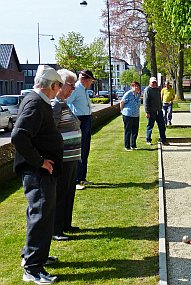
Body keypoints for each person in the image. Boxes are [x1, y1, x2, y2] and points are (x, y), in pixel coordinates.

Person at [12, 65, 64, 284]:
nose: (58, 93)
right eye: (58, 88)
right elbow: (19, 136)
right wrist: (40, 161)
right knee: (40, 215)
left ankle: (34, 255)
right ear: (51, 86)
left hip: (40, 171)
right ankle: (33, 268)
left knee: (40, 215)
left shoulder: (36, 100)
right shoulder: (35, 102)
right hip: (37, 172)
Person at [51, 69, 82, 242]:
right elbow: (51, 131)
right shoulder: (56, 104)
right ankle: (56, 229)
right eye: (71, 85)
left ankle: (66, 224)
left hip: (71, 157)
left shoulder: (63, 103)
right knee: (61, 193)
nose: (73, 88)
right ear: (60, 85)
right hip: (63, 158)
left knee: (69, 192)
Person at [65, 70, 95, 188]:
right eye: (91, 81)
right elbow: (66, 103)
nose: (91, 83)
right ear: (85, 79)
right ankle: (76, 180)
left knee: (85, 150)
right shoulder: (76, 89)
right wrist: (74, 119)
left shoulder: (84, 90)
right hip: (80, 120)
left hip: (86, 119)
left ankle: (82, 177)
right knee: (79, 150)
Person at [143, 77, 169, 146]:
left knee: (162, 126)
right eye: (153, 82)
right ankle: (148, 139)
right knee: (150, 126)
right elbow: (145, 102)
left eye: (155, 82)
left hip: (159, 111)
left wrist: (161, 108)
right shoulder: (147, 90)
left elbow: (159, 100)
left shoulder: (157, 90)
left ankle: (163, 139)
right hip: (151, 111)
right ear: (150, 82)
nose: (154, 83)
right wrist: (147, 112)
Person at [120, 81, 141, 150]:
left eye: (137, 86)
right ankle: (127, 146)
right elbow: (122, 102)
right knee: (128, 130)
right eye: (135, 86)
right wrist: (122, 110)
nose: (136, 87)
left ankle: (133, 145)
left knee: (135, 130)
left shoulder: (138, 94)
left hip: (136, 115)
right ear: (132, 87)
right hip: (128, 114)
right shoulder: (128, 93)